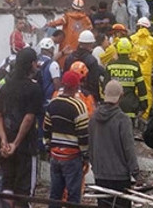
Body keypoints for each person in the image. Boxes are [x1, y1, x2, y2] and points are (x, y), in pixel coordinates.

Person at [0, 48, 44, 203]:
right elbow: (29, 118)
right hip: (25, 147)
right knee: (24, 191)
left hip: (5, 146)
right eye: (35, 63)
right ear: (31, 64)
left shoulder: (5, 86)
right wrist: (16, 143)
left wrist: (3, 140)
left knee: (7, 186)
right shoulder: (34, 88)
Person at [90, 81, 139, 208]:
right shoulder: (123, 120)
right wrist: (136, 173)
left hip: (100, 174)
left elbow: (90, 145)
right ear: (121, 96)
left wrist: (94, 167)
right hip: (120, 176)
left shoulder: (94, 117)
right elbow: (129, 149)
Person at [44, 70, 89, 208]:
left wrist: (48, 148)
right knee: (73, 196)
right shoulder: (79, 106)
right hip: (72, 157)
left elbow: (47, 129)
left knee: (55, 195)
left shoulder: (53, 103)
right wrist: (86, 155)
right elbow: (83, 135)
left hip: (55, 155)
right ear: (76, 87)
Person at [106, 38, 147, 120]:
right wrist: (144, 105)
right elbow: (141, 87)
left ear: (117, 49)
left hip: (113, 106)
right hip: (130, 106)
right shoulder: (134, 66)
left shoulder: (110, 66)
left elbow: (105, 86)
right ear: (130, 50)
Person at [130, 17, 153, 119]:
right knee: (147, 92)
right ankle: (145, 114)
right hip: (146, 72)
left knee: (133, 91)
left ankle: (133, 113)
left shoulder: (132, 39)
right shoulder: (152, 41)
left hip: (133, 70)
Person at [46, 0, 94, 68]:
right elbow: (90, 28)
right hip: (80, 49)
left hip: (67, 48)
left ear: (72, 7)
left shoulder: (67, 17)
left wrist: (50, 24)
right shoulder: (86, 19)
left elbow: (59, 22)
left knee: (64, 66)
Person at [63, 30, 104, 101]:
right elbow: (94, 83)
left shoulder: (69, 58)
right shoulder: (92, 60)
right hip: (87, 97)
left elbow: (64, 77)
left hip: (70, 95)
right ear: (90, 44)